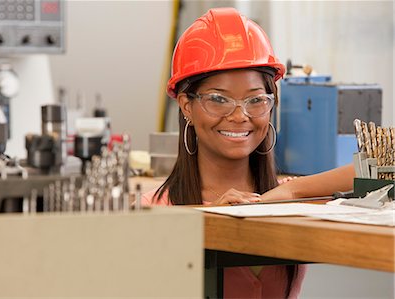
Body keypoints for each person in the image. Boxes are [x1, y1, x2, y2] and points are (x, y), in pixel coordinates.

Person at [141, 7, 355, 298]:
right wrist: (209, 222)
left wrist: (291, 192)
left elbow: (383, 176)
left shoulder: (288, 197)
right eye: (219, 99)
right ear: (185, 105)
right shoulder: (152, 210)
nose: (240, 116)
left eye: (255, 100)